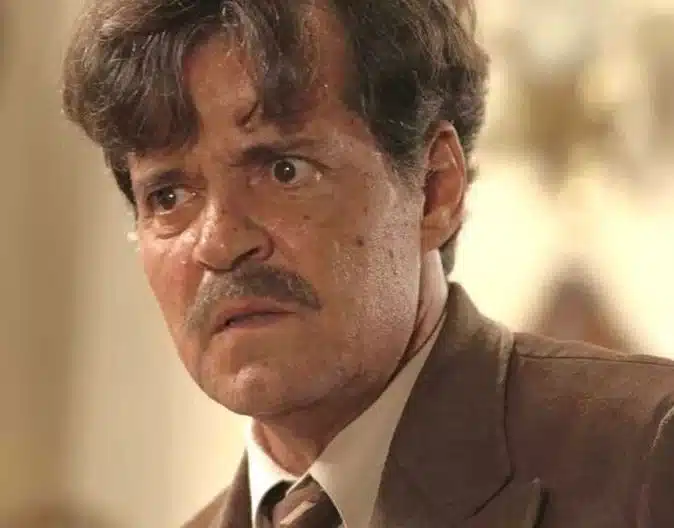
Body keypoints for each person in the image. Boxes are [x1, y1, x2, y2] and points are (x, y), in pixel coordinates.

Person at [61, 1, 674, 527]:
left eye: (283, 170)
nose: (219, 243)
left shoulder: (648, 456)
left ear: (434, 189)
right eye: (168, 195)